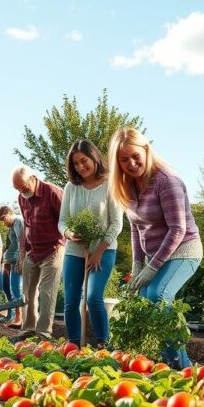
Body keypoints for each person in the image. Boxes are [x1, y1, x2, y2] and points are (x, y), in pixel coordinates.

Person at [110, 127, 202, 368]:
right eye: (124, 159)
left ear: (146, 150)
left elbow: (177, 229)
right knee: (143, 299)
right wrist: (137, 265)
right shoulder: (128, 185)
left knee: (159, 296)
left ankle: (181, 367)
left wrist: (151, 268)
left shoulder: (166, 182)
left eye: (135, 156)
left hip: (184, 250)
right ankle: (160, 362)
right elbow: (135, 228)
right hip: (155, 256)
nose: (131, 163)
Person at [57, 139, 123, 348]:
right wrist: (68, 233)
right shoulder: (71, 187)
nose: (80, 167)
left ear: (94, 157)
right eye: (75, 164)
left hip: (104, 249)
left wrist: (99, 252)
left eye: (83, 161)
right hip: (75, 250)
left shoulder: (111, 185)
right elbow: (62, 220)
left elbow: (116, 224)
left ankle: (104, 345)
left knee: (93, 297)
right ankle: (74, 346)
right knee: (70, 302)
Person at [12, 165, 65, 339]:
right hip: (32, 250)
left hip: (53, 249)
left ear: (33, 179)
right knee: (27, 292)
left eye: (24, 187)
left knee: (46, 292)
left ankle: (43, 333)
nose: (21, 191)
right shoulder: (22, 198)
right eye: (17, 188)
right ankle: (28, 329)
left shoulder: (52, 192)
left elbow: (65, 221)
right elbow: (26, 225)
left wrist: (62, 243)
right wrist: (23, 251)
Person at [0, 206, 24, 326]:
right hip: (11, 261)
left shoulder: (18, 221)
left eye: (4, 219)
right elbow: (12, 244)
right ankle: (13, 315)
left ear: (9, 213)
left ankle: (19, 318)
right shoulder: (12, 225)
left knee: (15, 288)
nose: (3, 223)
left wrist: (20, 261)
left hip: (17, 261)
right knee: (7, 288)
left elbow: (21, 242)